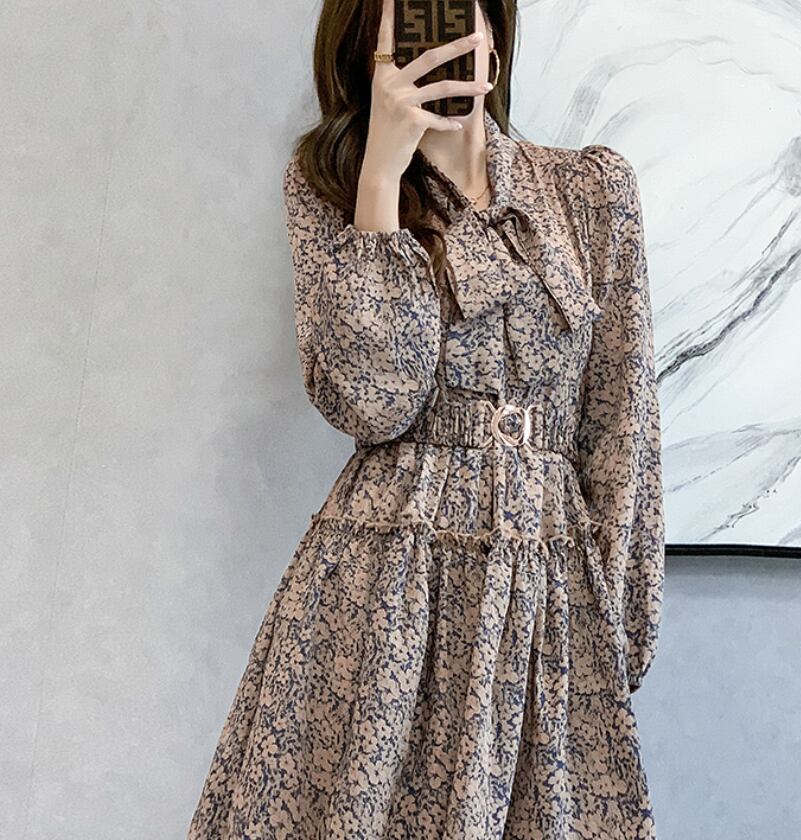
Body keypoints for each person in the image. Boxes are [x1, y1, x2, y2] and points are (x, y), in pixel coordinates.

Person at [187, 0, 664, 837]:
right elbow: (375, 403)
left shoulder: (591, 192)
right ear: (366, 40)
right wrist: (381, 174)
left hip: (543, 595)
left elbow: (623, 420)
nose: (439, 36)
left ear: (494, 30)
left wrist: (615, 629)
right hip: (381, 598)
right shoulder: (330, 188)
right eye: (413, 15)